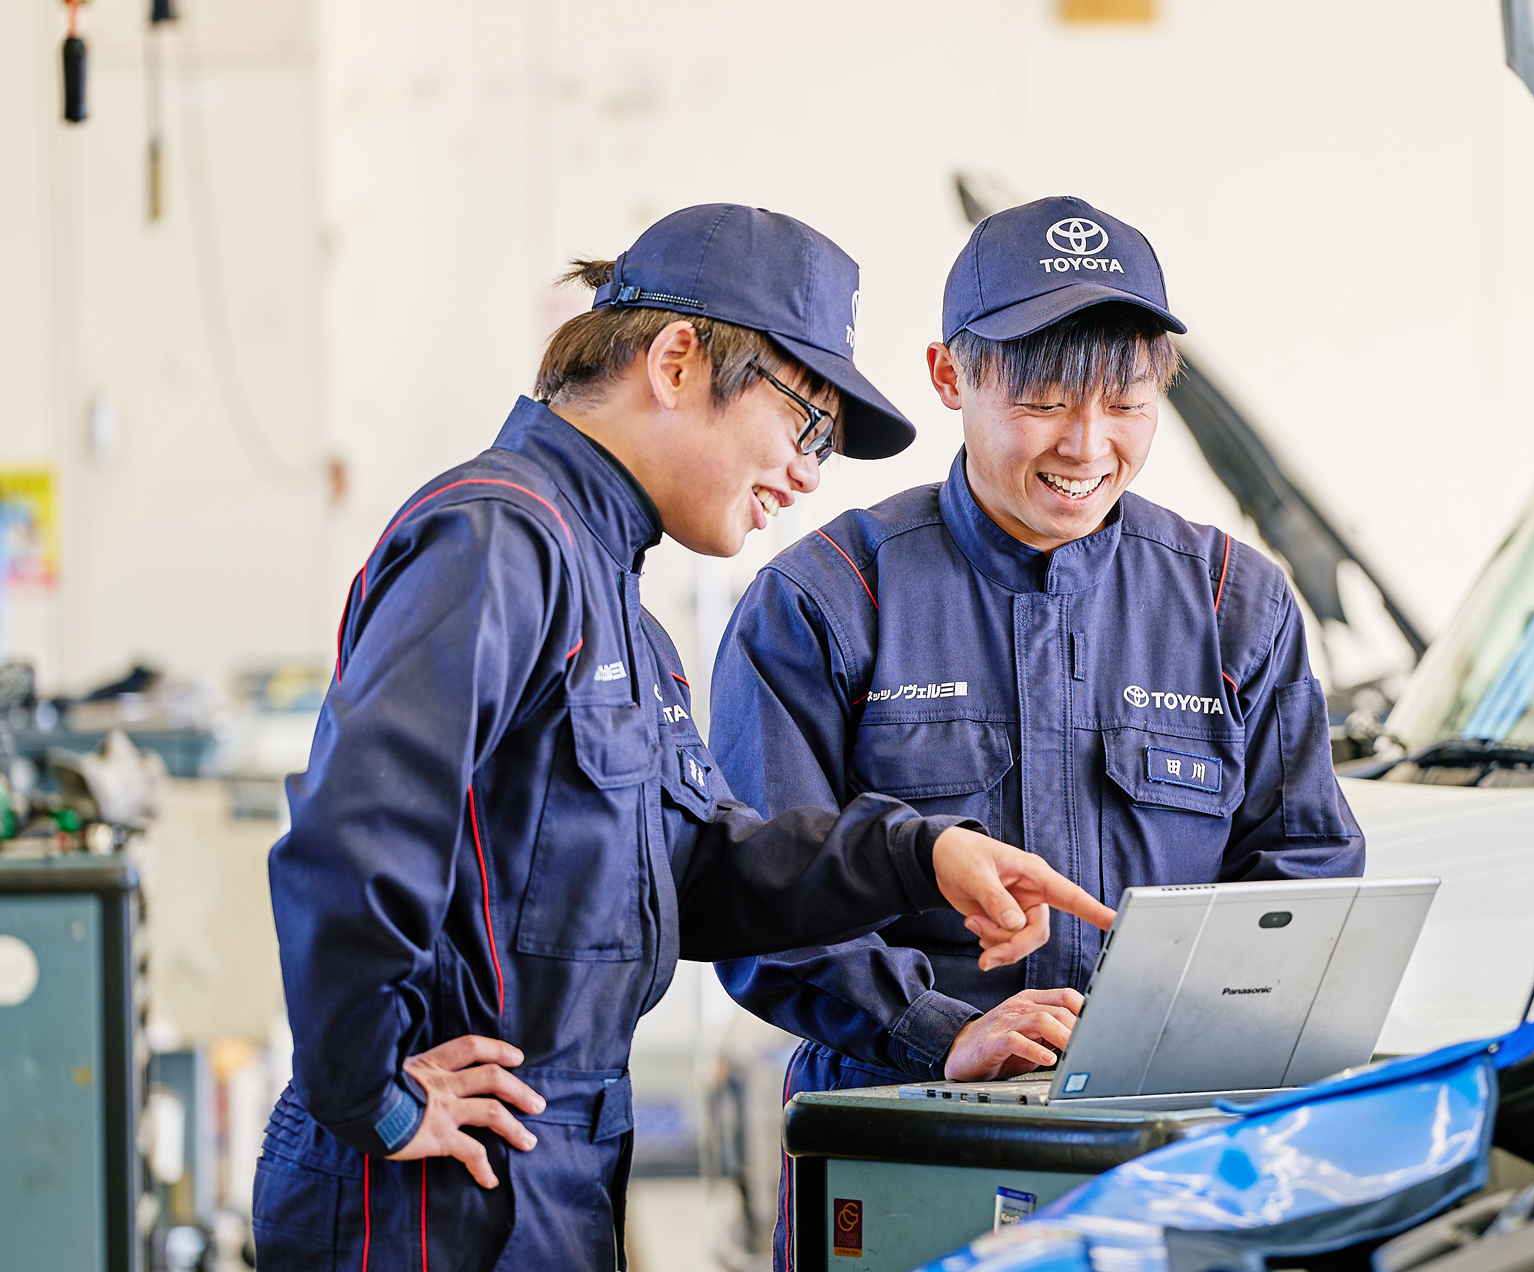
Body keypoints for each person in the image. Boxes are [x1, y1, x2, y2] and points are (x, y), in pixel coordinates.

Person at [255, 204, 1113, 1271]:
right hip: (436, 1188)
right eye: (806, 425)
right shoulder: (498, 539)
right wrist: (370, 1096)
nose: (809, 473)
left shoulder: (615, 602)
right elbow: (354, 835)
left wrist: (919, 856)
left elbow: (697, 872)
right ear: (674, 361)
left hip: (541, 1165)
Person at [709, 196, 1367, 1265]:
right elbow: (762, 896)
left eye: (1127, 404)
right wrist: (938, 1031)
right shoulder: (827, 602)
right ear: (948, 377)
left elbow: (1303, 874)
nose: (1088, 446)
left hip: (1162, 1155)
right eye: (1047, 400)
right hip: (900, 1134)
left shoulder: (1233, 603)